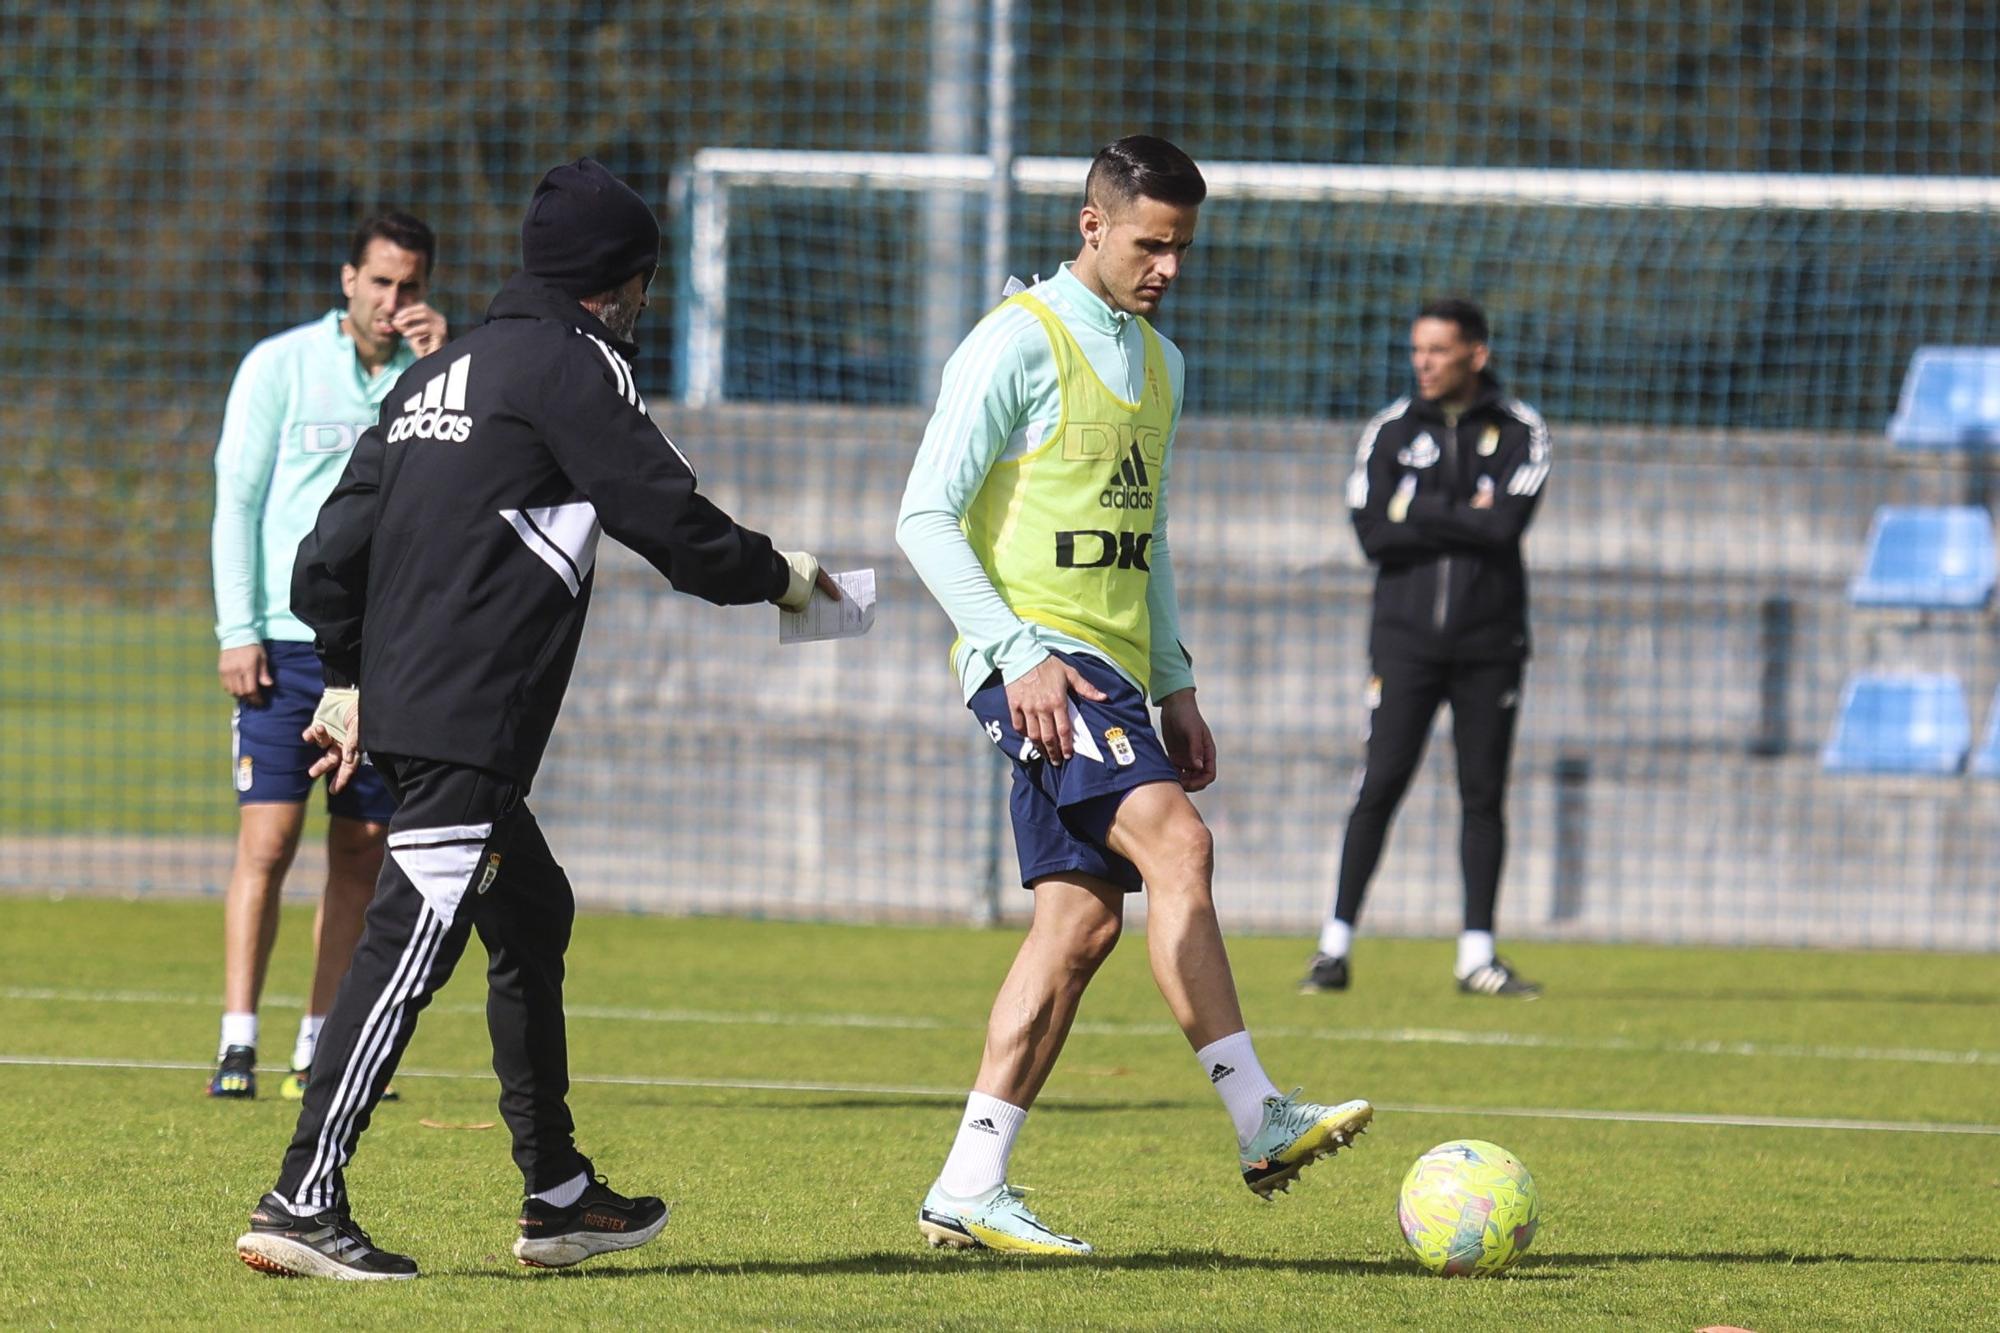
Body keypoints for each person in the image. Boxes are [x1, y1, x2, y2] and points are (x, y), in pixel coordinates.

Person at [233, 158, 839, 1281]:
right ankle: (302, 1195)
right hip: (467, 720)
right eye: (644, 282)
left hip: (417, 702)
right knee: (410, 946)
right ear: (621, 282)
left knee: (533, 912)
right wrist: (784, 577)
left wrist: (349, 673)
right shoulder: (573, 366)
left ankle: (556, 1191)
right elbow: (667, 520)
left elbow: (329, 549)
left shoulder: (435, 375)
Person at [896, 135, 1373, 1257]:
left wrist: (1177, 685)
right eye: (1149, 244)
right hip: (1037, 665)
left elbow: (1144, 544)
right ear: (1091, 225)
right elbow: (922, 515)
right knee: (1181, 846)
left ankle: (968, 1182)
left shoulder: (1160, 365)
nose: (1166, 267)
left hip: (1111, 671)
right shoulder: (1017, 340)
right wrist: (1015, 654)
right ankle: (1261, 1117)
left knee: (1078, 926)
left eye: (1181, 249)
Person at [208, 212, 448, 1101]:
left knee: (363, 846)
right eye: (380, 283)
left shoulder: (437, 380)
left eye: (410, 286)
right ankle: (238, 1039)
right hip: (280, 641)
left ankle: (321, 1042)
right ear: (348, 279)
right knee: (267, 842)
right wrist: (239, 628)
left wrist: (435, 370)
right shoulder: (279, 366)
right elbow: (237, 500)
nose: (393, 302)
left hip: (379, 650)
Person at [1300, 297, 1550, 999]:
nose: (1425, 364)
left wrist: (1415, 508)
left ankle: (1477, 955)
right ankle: (1333, 948)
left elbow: (1505, 527)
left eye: (1439, 351)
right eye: (1417, 351)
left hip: (1490, 644)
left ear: (1477, 353)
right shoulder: (1388, 430)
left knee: (1482, 793)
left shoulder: (1521, 430)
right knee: (1379, 783)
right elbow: (1372, 533)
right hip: (1403, 644)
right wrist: (1461, 511)